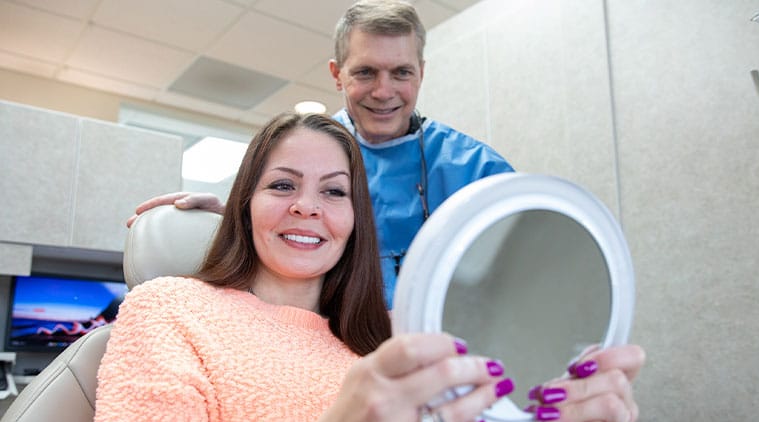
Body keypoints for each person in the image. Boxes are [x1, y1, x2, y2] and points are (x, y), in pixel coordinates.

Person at [89, 112, 645, 422]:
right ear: (246, 204)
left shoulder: (384, 351)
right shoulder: (170, 309)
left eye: (334, 191)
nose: (309, 207)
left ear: (355, 220)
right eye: (282, 186)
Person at [128, 0, 515, 308]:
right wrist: (231, 218)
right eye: (365, 73)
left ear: (421, 73)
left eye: (401, 72)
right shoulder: (301, 150)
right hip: (323, 347)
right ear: (336, 73)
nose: (384, 91)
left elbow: (528, 271)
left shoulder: (478, 171)